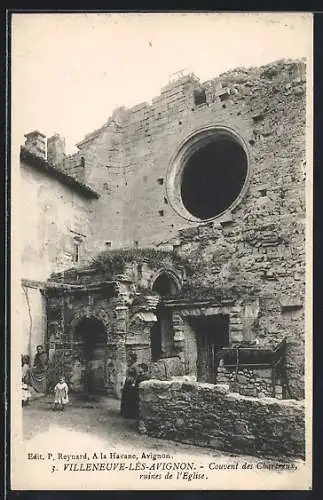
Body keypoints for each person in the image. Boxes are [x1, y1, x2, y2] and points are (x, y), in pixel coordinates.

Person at [120, 352, 140, 419]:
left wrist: (134, 383)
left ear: (133, 358)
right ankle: (125, 413)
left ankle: (131, 414)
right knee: (126, 398)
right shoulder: (130, 365)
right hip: (127, 383)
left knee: (130, 398)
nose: (129, 359)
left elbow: (137, 375)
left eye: (130, 358)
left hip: (131, 384)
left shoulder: (135, 365)